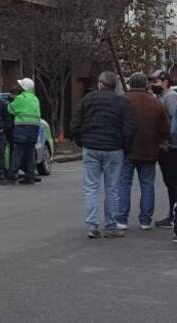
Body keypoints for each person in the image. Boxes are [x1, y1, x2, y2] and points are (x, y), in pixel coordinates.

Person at [72, 71, 135, 238]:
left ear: (100, 84)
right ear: (114, 85)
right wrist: (124, 146)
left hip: (91, 147)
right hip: (114, 149)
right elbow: (129, 128)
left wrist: (81, 141)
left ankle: (92, 225)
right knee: (112, 188)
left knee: (91, 187)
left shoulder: (88, 99)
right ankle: (111, 226)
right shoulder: (122, 102)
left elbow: (75, 123)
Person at [115, 72, 170, 230]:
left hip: (127, 149)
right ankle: (145, 220)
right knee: (147, 184)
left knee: (124, 184)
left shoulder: (122, 100)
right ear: (145, 85)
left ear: (131, 84)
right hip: (149, 150)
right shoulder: (155, 103)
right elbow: (165, 127)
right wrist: (162, 141)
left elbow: (117, 123)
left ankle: (122, 219)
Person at [151, 69, 177, 229]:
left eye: (156, 82)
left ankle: (173, 217)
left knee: (173, 182)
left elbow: (174, 121)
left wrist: (168, 140)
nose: (153, 85)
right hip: (165, 146)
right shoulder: (160, 98)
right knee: (170, 182)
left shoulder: (170, 98)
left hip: (172, 148)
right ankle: (171, 214)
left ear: (165, 82)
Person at [7, 78, 42, 185]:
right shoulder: (35, 99)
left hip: (22, 127)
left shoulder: (20, 98)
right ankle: (30, 175)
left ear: (23, 88)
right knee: (30, 152)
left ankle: (12, 175)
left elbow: (10, 109)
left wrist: (11, 100)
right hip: (34, 128)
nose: (18, 87)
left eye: (20, 86)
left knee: (17, 152)